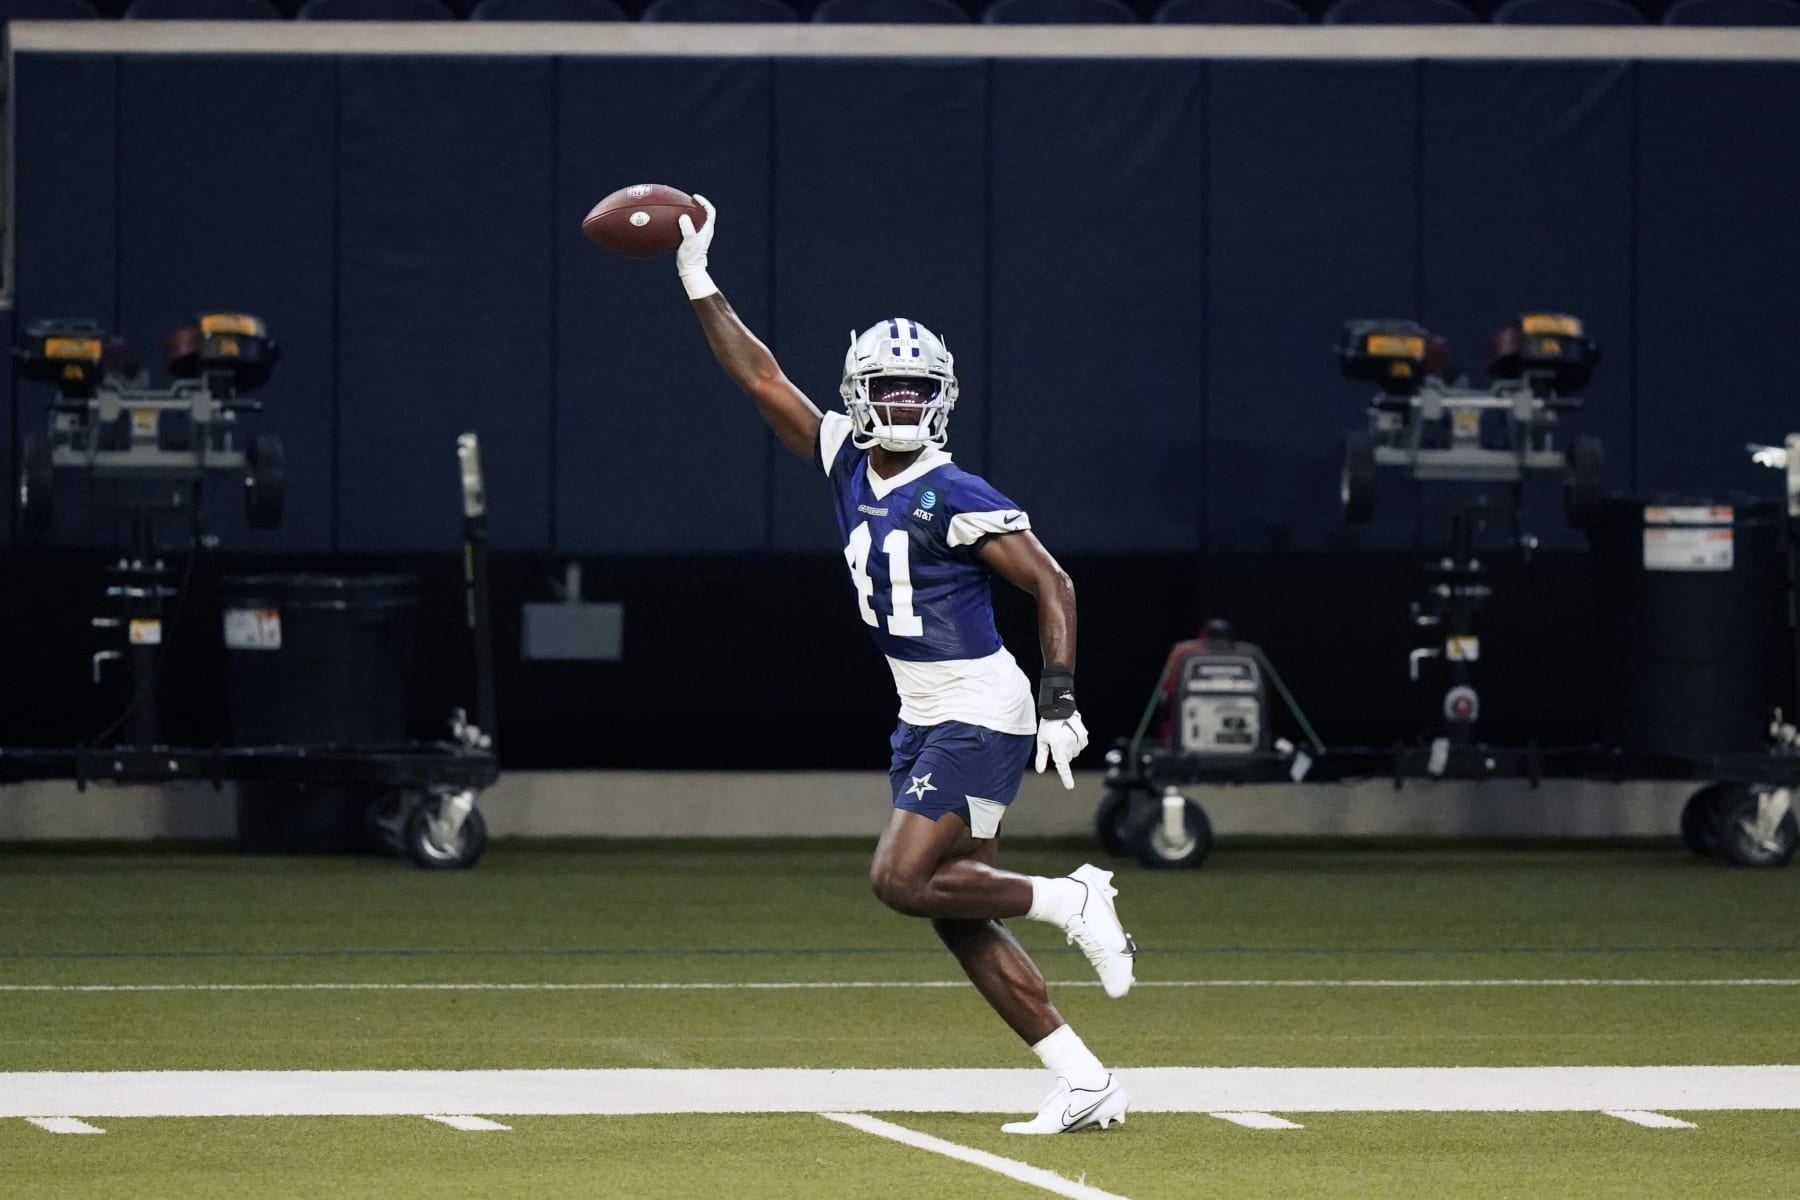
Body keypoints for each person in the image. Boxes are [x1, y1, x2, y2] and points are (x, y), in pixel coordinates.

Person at [670, 195, 1136, 1135]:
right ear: (860, 394)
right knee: (953, 908)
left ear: (941, 399)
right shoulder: (845, 462)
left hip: (981, 707)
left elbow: (1055, 584)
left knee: (897, 879)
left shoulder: (951, 491)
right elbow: (762, 379)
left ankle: (1071, 896)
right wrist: (696, 280)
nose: (902, 404)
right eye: (887, 389)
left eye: (917, 392)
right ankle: (1086, 1079)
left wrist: (1059, 699)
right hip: (923, 710)